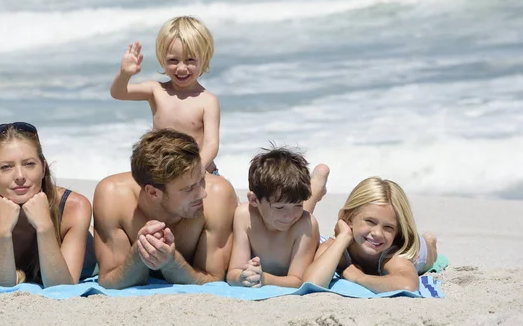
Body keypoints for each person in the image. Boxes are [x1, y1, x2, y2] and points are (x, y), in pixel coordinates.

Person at [0, 122, 97, 287]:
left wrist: (44, 226)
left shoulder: (74, 207)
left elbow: (62, 286)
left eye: (29, 164)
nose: (20, 176)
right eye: (6, 167)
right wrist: (2, 232)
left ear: (43, 168)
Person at [93, 128, 237, 289]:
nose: (203, 193)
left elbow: (213, 280)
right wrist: (139, 255)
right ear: (153, 192)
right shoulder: (113, 196)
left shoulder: (218, 196)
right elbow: (109, 281)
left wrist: (172, 263)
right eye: (188, 189)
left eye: (202, 179)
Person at [110, 16, 222, 175]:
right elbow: (118, 93)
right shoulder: (156, 90)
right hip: (164, 175)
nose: (181, 68)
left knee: (226, 195)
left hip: (200, 171)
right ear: (162, 60)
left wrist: (193, 172)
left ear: (204, 59)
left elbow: (211, 144)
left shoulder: (207, 100)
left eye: (190, 60)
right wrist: (124, 74)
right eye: (173, 60)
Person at [303, 176, 438, 293]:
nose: (377, 233)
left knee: (430, 252)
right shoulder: (334, 246)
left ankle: (430, 241)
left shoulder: (393, 255)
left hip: (419, 250)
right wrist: (343, 237)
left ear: (398, 231)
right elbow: (313, 282)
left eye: (388, 227)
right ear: (348, 218)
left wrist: (360, 278)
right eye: (370, 221)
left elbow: (408, 285)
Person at [226, 146, 320, 288]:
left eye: (299, 204)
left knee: (306, 215)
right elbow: (233, 272)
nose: (290, 214)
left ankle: (318, 183)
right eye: (279, 207)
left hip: (312, 237)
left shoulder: (306, 224)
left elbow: (298, 280)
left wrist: (265, 279)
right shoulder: (244, 216)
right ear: (254, 200)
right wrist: (242, 276)